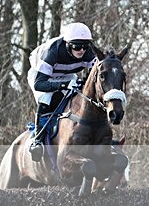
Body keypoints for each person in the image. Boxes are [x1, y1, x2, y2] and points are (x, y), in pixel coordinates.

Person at [26, 22, 97, 162]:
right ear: (68, 44)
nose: (82, 50)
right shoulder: (53, 52)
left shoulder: (88, 53)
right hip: (41, 76)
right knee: (46, 99)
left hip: (67, 74)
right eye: (77, 46)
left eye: (85, 46)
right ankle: (37, 139)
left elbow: (93, 76)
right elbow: (40, 84)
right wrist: (63, 84)